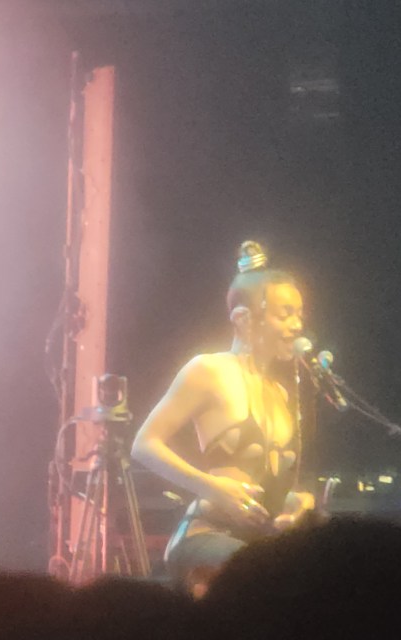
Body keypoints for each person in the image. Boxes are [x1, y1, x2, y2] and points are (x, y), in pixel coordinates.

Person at [130, 241, 316, 594]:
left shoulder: (280, 393)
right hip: (207, 535)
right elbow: (144, 445)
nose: (296, 325)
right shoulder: (209, 370)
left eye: (299, 315)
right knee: (263, 574)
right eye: (285, 314)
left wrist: (297, 503)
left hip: (257, 543)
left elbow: (274, 483)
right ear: (243, 319)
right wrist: (211, 486)